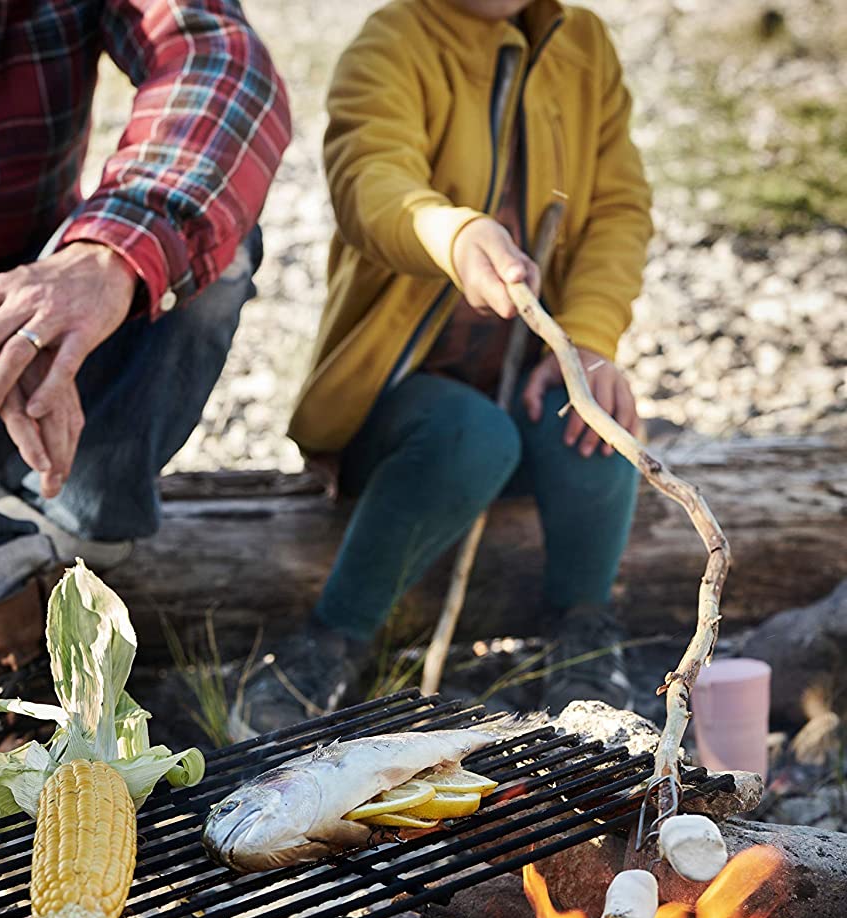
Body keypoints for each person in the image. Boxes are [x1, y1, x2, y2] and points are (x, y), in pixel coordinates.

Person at [0, 0, 290, 745]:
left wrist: (108, 258)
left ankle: (69, 531)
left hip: (46, 354)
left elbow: (217, 57)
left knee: (212, 240)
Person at [238, 0, 652, 735]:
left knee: (599, 425)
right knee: (471, 435)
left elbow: (619, 207)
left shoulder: (583, 43)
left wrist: (588, 340)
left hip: (529, 374)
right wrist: (449, 234)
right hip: (400, 403)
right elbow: (370, 178)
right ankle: (331, 641)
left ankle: (587, 639)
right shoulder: (394, 39)